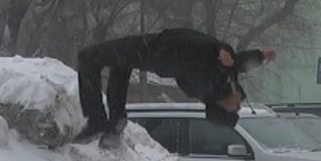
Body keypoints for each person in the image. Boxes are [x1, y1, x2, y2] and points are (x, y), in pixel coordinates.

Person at [74, 28, 276, 148]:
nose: (239, 105)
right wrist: (260, 56)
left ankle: (97, 119)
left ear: (221, 105)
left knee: (88, 57)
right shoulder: (227, 80)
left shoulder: (206, 88)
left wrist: (220, 52)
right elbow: (238, 61)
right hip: (164, 46)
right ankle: (116, 119)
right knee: (122, 62)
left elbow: (212, 62)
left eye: (235, 108)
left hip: (161, 50)